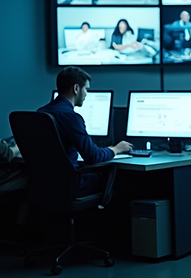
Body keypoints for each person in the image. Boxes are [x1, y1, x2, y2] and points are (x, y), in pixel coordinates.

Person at [38, 67, 133, 196]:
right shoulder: (71, 118)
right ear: (76, 88)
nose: (86, 94)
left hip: (43, 185)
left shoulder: (41, 113)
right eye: (86, 89)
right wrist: (116, 149)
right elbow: (93, 156)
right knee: (120, 180)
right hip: (72, 185)